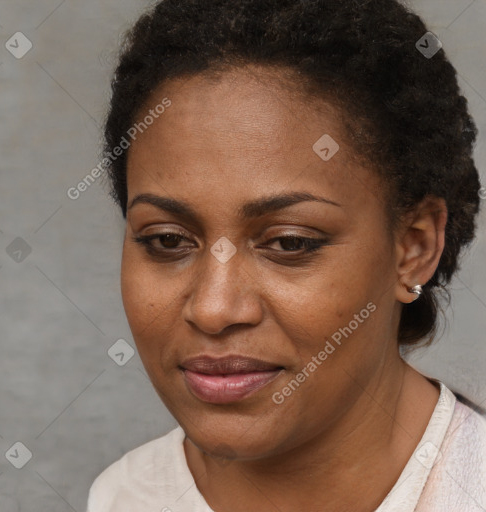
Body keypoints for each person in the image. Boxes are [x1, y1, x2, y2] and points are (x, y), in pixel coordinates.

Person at [86, 0, 486, 510]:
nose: (213, 308)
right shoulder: (124, 497)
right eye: (167, 240)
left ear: (414, 247)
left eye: (290, 243)